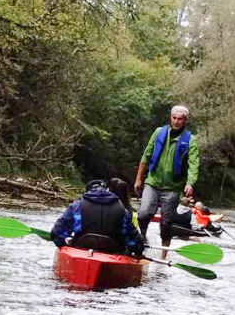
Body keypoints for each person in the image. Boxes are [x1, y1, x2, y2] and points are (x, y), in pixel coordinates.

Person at [133, 105, 199, 252]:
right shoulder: (158, 132)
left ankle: (164, 253)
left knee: (166, 222)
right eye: (173, 118)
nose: (176, 122)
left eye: (180, 119)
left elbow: (194, 164)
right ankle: (142, 237)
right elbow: (146, 156)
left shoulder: (190, 140)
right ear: (170, 117)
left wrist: (190, 183)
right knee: (143, 213)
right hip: (152, 182)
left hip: (172, 188)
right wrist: (138, 179)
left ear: (185, 120)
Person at [51, 180, 144, 255]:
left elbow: (56, 233)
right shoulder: (123, 210)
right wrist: (135, 252)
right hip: (113, 253)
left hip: (81, 250)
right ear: (107, 190)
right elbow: (136, 242)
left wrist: (63, 245)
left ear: (87, 191)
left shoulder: (76, 206)